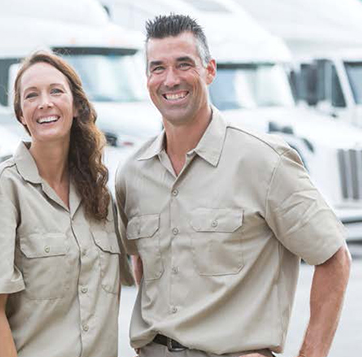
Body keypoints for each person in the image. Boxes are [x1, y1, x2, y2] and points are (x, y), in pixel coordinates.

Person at [115, 14, 351, 357]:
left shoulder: (264, 160)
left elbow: (334, 257)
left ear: (210, 70)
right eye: (157, 68)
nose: (171, 79)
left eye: (184, 64)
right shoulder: (132, 172)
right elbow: (142, 263)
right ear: (147, 78)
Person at [0, 51, 134, 357]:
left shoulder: (100, 196)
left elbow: (111, 296)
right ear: (20, 115)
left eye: (56, 91)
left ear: (76, 106)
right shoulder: (0, 191)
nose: (44, 102)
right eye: (31, 95)